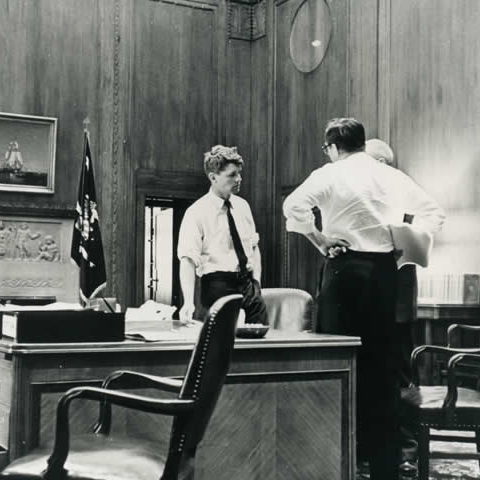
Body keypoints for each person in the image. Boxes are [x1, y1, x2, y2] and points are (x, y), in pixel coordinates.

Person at [283, 118, 444, 480]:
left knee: (335, 362)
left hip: (345, 271)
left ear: (334, 148)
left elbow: (293, 207)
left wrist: (321, 240)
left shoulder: (330, 173)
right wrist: (406, 243)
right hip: (386, 274)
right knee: (383, 371)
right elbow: (434, 212)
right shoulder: (391, 176)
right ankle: (384, 466)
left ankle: (338, 460)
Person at [365, 138, 431, 478]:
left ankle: (407, 451)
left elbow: (412, 246)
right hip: (370, 304)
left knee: (401, 380)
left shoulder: (404, 196)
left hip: (397, 304)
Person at [177, 145, 267, 325]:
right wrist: (188, 302)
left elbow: (254, 248)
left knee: (261, 342)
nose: (238, 179)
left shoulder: (243, 206)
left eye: (239, 174)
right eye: (232, 175)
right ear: (213, 178)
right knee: (224, 345)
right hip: (217, 286)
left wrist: (256, 283)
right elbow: (188, 260)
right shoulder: (196, 212)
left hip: (248, 285)